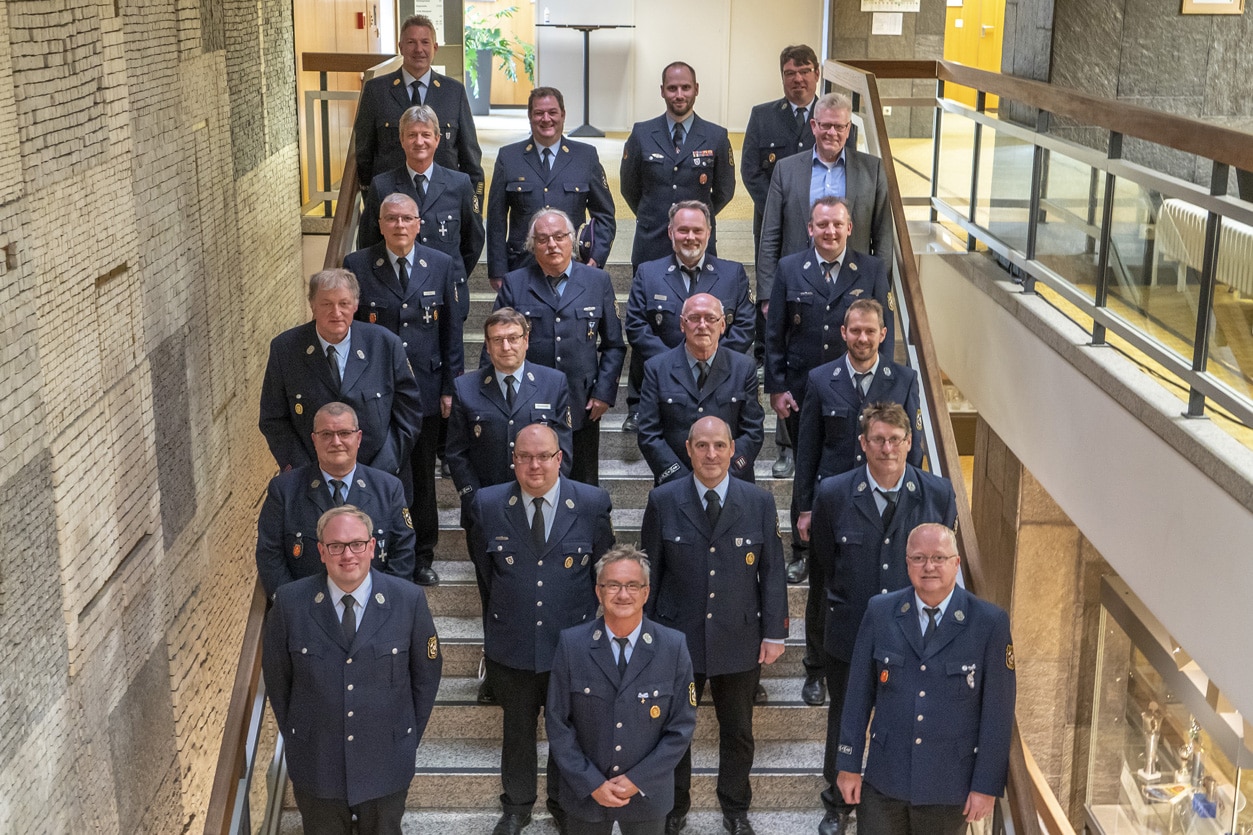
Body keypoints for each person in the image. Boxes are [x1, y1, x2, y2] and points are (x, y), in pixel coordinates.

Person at [805, 402, 957, 835]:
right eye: (878, 439)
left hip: (916, 638)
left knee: (908, 717)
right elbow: (823, 568)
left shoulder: (938, 494)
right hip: (851, 630)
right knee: (845, 719)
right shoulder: (834, 493)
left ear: (910, 443)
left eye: (896, 439)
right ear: (863, 444)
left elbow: (939, 568)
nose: (887, 447)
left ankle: (896, 797)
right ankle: (836, 805)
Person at [641, 417, 788, 835]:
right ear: (688, 449)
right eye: (702, 446)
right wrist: (645, 634)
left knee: (738, 730)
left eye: (719, 446)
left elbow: (773, 571)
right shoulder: (663, 500)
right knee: (673, 732)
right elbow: (648, 571)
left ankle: (736, 808)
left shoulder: (757, 501)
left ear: (731, 450)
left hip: (738, 636)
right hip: (676, 638)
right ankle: (673, 807)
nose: (711, 454)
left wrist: (773, 632)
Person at [470, 424, 616, 835]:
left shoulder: (590, 502)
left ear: (559, 458)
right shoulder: (487, 503)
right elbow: (488, 573)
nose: (534, 465)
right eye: (524, 457)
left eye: (543, 457)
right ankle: (516, 806)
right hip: (512, 641)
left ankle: (561, 801)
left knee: (566, 732)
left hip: (571, 644)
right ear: (513, 460)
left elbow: (603, 574)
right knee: (516, 730)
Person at [262, 505, 442, 835]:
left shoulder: (408, 600)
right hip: (317, 762)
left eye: (357, 544)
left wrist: (403, 736)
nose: (348, 554)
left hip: (385, 760)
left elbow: (425, 677)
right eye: (336, 546)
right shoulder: (290, 603)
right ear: (321, 551)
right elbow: (278, 679)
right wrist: (301, 736)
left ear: (372, 547)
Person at [835, 523, 1016, 835]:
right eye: (918, 558)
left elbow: (997, 714)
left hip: (949, 786)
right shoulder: (881, 611)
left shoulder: (989, 623)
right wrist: (848, 763)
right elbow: (857, 695)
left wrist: (986, 786)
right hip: (885, 779)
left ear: (956, 563)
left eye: (939, 558)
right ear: (907, 564)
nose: (929, 566)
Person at [789, 299, 921, 709]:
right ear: (843, 333)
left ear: (883, 335)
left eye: (870, 331)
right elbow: (807, 450)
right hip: (834, 503)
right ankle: (816, 669)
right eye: (855, 330)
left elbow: (911, 455)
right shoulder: (820, 378)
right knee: (823, 587)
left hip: (884, 503)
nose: (862, 338)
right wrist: (804, 508)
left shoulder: (903, 380)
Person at [765, 196, 893, 588]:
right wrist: (776, 387)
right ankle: (802, 551)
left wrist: (884, 394)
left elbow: (882, 335)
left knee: (856, 468)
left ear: (850, 228)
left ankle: (854, 545)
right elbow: (775, 334)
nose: (830, 231)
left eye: (837, 224)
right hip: (806, 391)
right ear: (810, 228)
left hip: (860, 394)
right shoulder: (789, 268)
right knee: (808, 468)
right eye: (822, 224)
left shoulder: (871, 269)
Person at [447, 307, 573, 704]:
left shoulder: (552, 383)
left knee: (544, 593)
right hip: (489, 515)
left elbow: (564, 444)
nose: (506, 345)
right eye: (497, 339)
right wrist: (472, 499)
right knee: (494, 595)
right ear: (486, 345)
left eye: (513, 337)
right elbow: (456, 453)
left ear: (526, 340)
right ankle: (497, 674)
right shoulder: (467, 388)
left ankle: (551, 670)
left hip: (541, 511)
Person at [343, 193, 462, 585]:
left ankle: (421, 556)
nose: (399, 225)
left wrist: (450, 388)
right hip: (373, 395)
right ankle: (379, 550)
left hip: (423, 393)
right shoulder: (358, 265)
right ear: (379, 224)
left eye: (406, 218)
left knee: (423, 475)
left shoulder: (441, 265)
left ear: (418, 224)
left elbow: (451, 334)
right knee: (379, 472)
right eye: (391, 218)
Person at [546, 546, 698, 835]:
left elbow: (681, 727)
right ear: (598, 591)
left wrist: (638, 780)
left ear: (646, 592)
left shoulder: (673, 646)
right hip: (585, 794)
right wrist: (591, 782)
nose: (623, 594)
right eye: (613, 585)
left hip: (647, 795)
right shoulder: (572, 645)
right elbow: (557, 722)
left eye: (632, 585)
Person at [493, 209, 626, 486]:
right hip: (527, 401)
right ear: (532, 245)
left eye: (559, 237)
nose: (552, 244)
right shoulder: (515, 284)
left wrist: (604, 393)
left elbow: (614, 344)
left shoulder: (597, 281)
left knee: (583, 482)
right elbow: (496, 341)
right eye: (542, 239)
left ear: (572, 240)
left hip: (583, 403)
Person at [258, 268, 423, 491]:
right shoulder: (285, 350)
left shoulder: (385, 345)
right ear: (312, 306)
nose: (336, 312)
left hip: (380, 483)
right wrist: (305, 473)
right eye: (326, 304)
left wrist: (378, 471)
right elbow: (274, 419)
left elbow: (408, 415)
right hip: (311, 486)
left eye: (344, 304)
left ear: (355, 305)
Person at [256, 402, 416, 598]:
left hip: (373, 611)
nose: (336, 441)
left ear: (358, 438)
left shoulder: (388, 489)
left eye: (344, 433)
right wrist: (294, 607)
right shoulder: (284, 491)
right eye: (326, 435)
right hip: (306, 613)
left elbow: (403, 554)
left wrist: (378, 607)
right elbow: (270, 555)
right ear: (314, 440)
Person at [622, 200, 754, 431]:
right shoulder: (648, 273)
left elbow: (744, 327)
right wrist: (676, 365)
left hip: (719, 386)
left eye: (697, 230)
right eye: (683, 230)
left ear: (709, 233)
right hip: (663, 387)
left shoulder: (732, 274)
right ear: (671, 232)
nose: (690, 237)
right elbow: (636, 327)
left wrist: (712, 362)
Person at [757, 91, 893, 307]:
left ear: (848, 129)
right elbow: (770, 236)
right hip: (798, 285)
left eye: (839, 126)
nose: (832, 132)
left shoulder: (872, 170)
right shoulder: (786, 170)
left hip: (853, 286)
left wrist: (881, 292)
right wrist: (766, 294)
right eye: (826, 125)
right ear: (814, 126)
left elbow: (883, 238)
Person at [358, 104, 484, 319]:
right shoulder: (382, 185)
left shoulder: (459, 184)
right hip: (397, 292)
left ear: (437, 139)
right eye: (412, 135)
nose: (419, 142)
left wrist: (452, 273)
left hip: (447, 293)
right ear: (401, 139)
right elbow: (369, 241)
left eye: (426, 134)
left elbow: (473, 240)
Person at [487, 87, 616, 290]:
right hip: (522, 265)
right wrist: (497, 269)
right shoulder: (508, 157)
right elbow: (496, 220)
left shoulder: (586, 156)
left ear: (563, 115)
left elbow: (605, 215)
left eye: (552, 112)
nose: (546, 119)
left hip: (573, 265)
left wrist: (596, 258)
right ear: (530, 116)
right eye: (539, 113)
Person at [353, 15, 484, 208]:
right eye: (411, 42)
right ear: (401, 47)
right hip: (392, 203)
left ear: (435, 48)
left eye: (425, 42)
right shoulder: (376, 91)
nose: (419, 49)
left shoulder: (453, 92)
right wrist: (371, 197)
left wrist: (473, 206)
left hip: (444, 202)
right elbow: (364, 152)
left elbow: (470, 154)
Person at [637, 294, 763, 485]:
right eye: (694, 318)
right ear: (682, 324)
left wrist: (722, 475)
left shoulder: (743, 368)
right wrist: (681, 481)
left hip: (732, 483)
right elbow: (648, 433)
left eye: (711, 318)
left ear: (722, 325)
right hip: (675, 485)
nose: (702, 325)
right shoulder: (657, 368)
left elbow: (752, 431)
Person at [620, 62, 735, 271]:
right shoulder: (641, 134)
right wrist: (652, 213)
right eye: (672, 88)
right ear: (662, 91)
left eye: (686, 88)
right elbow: (628, 187)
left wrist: (697, 217)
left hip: (697, 243)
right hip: (651, 239)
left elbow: (724, 191)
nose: (679, 95)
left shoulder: (716, 136)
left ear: (696, 89)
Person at [742, 45, 819, 255]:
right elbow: (750, 171)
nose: (798, 79)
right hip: (772, 223)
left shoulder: (832, 120)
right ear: (782, 76)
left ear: (817, 74)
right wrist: (778, 208)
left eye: (805, 71)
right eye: (790, 73)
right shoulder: (762, 116)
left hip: (819, 224)